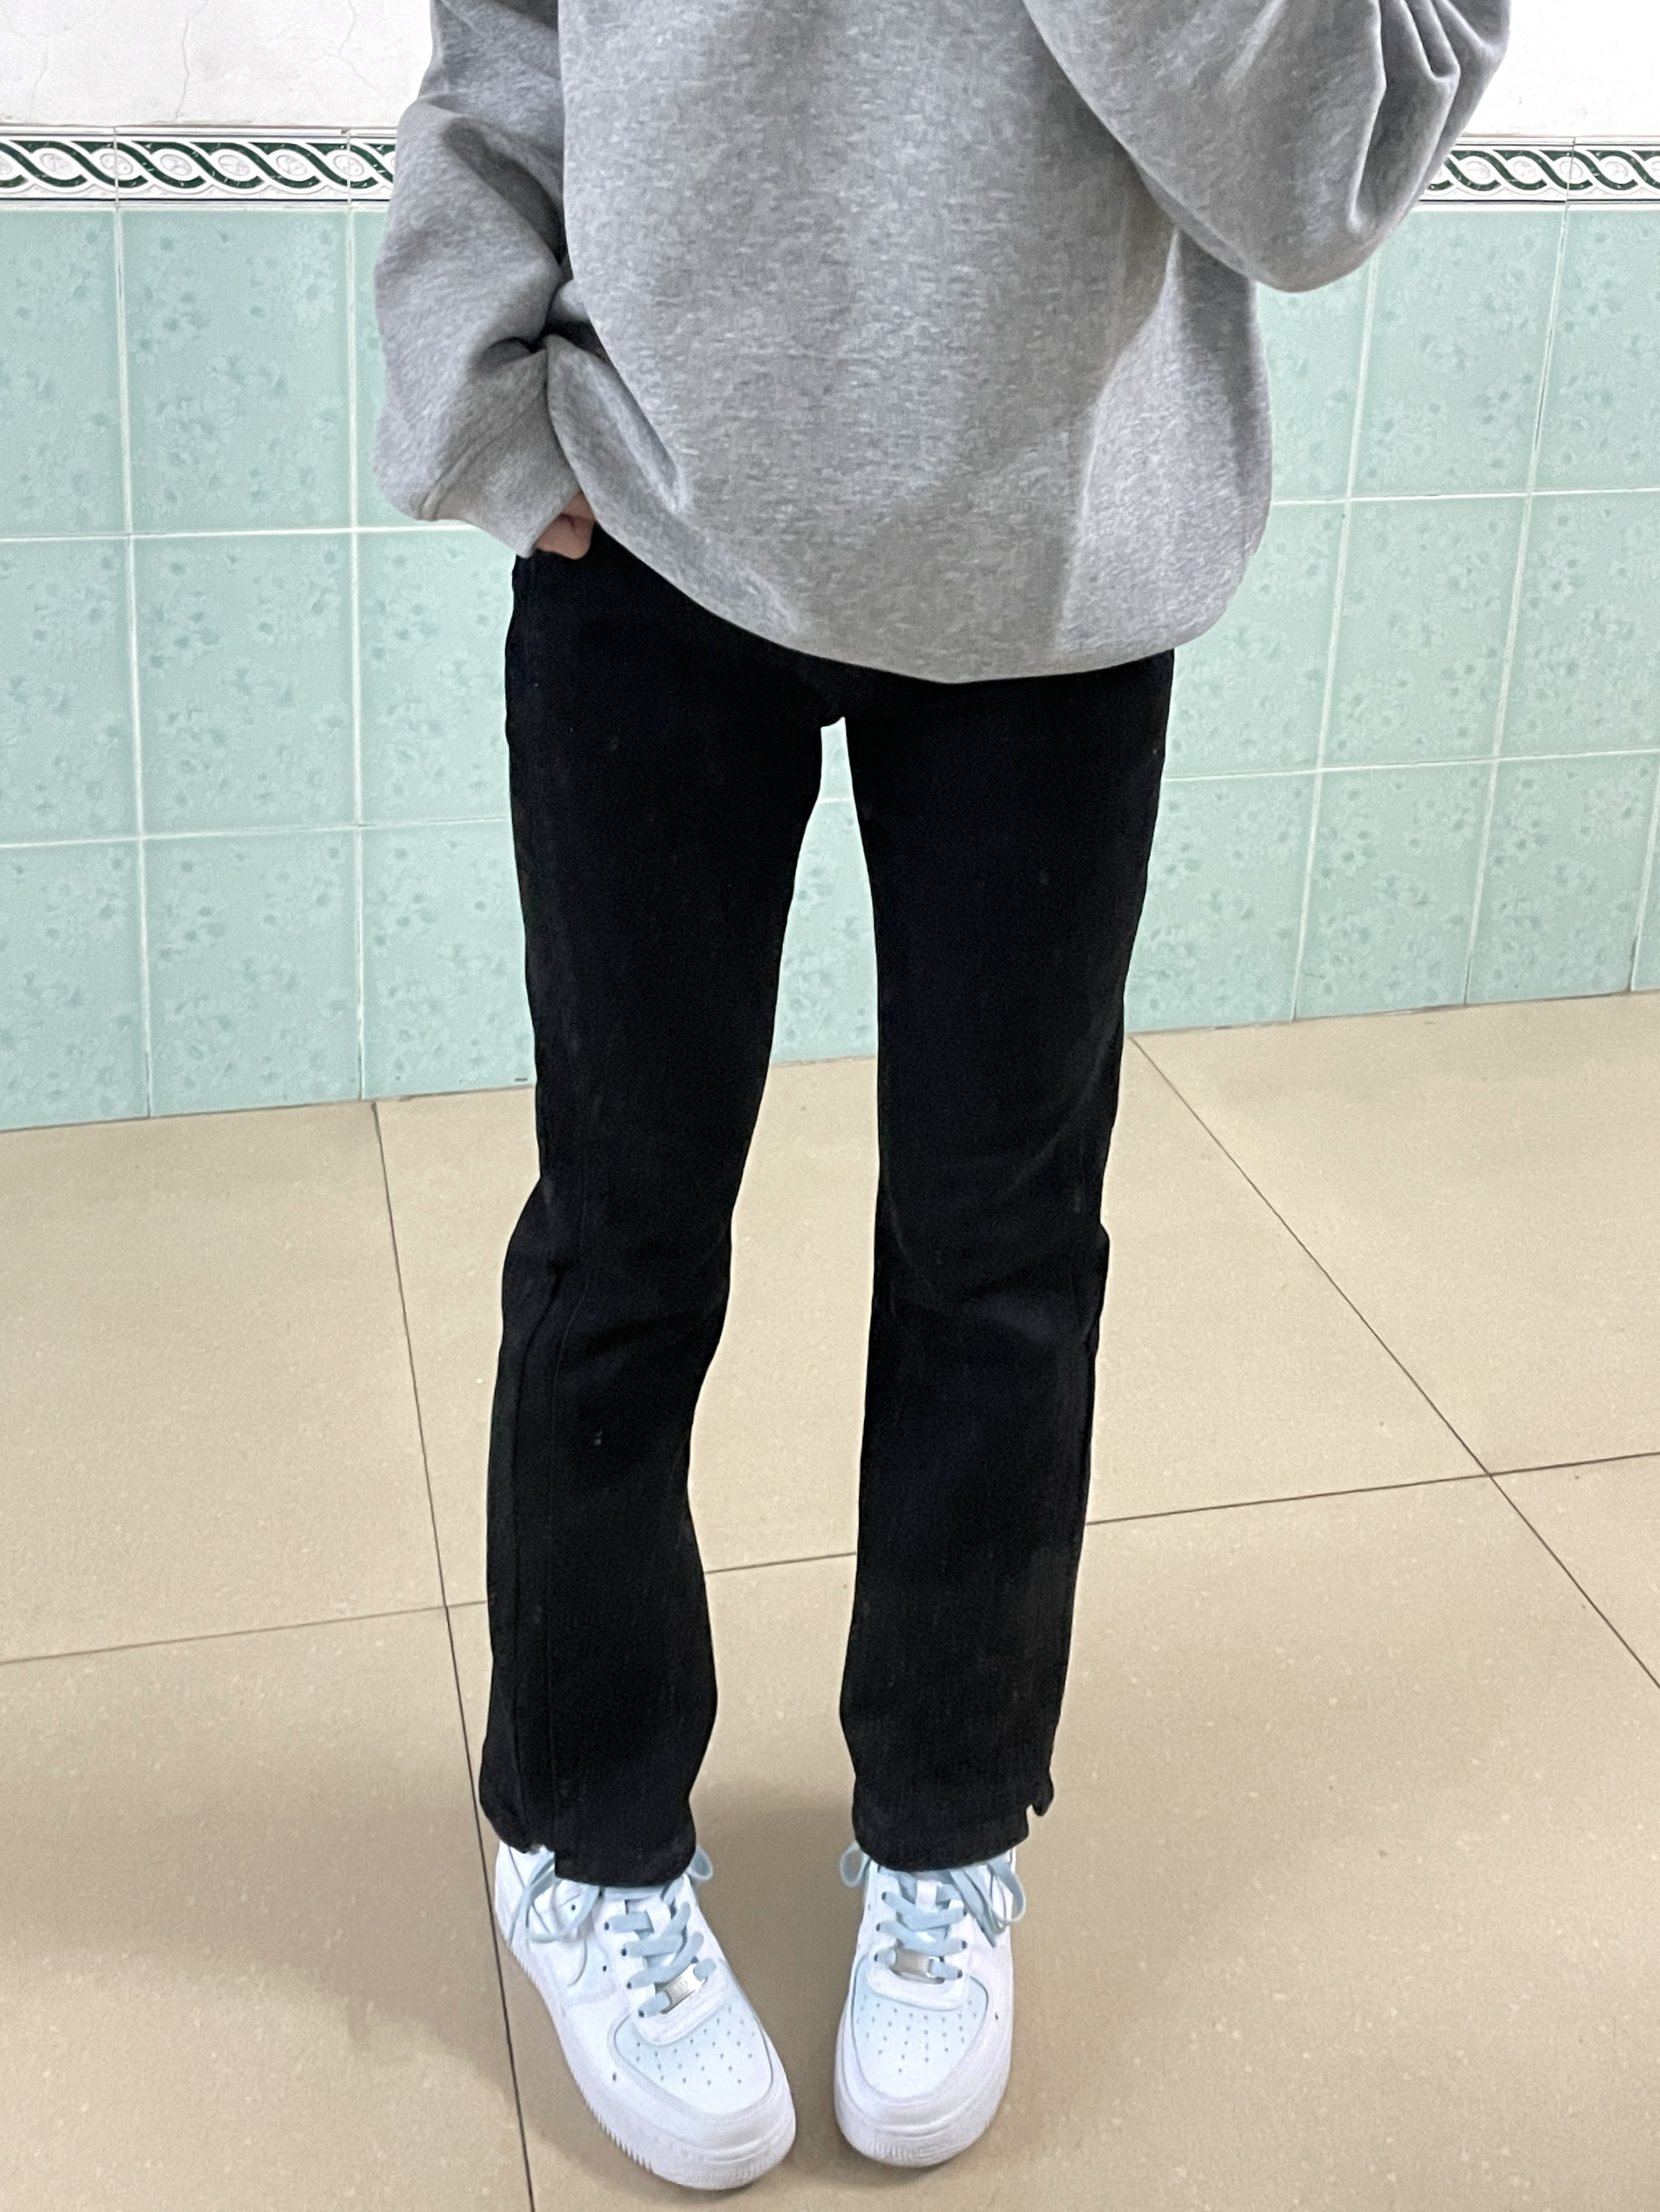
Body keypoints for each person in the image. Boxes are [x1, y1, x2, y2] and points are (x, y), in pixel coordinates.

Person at [372, 0, 1508, 2187]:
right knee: (621, 1240)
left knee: (999, 1259)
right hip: (649, 541)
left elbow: (1316, 183)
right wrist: (488, 411)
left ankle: (943, 1824)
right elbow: (503, 48)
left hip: (1058, 586)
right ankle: (584, 1834)